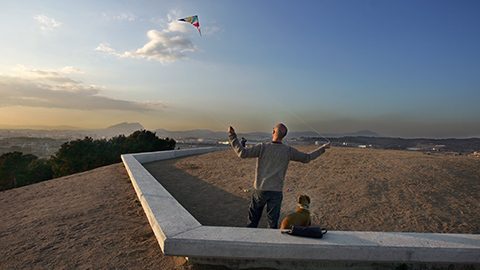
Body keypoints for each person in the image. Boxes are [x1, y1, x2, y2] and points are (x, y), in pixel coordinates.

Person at [228, 123, 330, 229]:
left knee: (252, 222)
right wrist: (322, 148)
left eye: (273, 129)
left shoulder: (263, 147)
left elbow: (242, 153)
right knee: (272, 225)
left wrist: (232, 136)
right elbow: (307, 158)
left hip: (260, 190)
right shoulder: (288, 150)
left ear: (273, 132)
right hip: (275, 192)